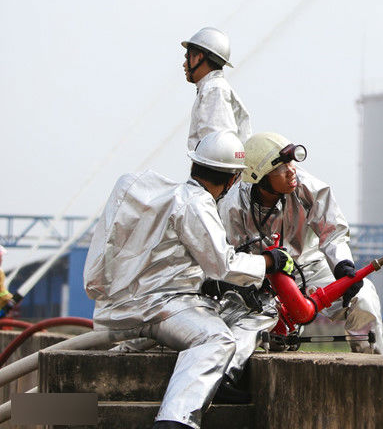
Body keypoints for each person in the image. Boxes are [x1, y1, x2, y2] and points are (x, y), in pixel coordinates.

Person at [83, 132, 295, 429]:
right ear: (233, 179)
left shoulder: (156, 194)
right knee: (216, 338)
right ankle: (175, 421)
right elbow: (223, 264)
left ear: (195, 165)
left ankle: (41, 412)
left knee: (72, 395)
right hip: (160, 309)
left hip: (119, 310)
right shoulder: (196, 203)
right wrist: (270, 261)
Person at [218, 131, 383, 355]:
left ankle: (371, 367)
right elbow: (230, 259)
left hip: (311, 268)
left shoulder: (308, 187)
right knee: (251, 331)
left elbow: (332, 231)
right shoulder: (232, 207)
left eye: (291, 163)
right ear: (260, 176)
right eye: (281, 167)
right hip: (260, 281)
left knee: (363, 295)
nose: (291, 171)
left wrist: (342, 265)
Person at [182, 27, 252, 150]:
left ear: (199, 57)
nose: (184, 64)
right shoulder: (213, 88)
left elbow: (216, 146)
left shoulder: (214, 89)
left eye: (187, 57)